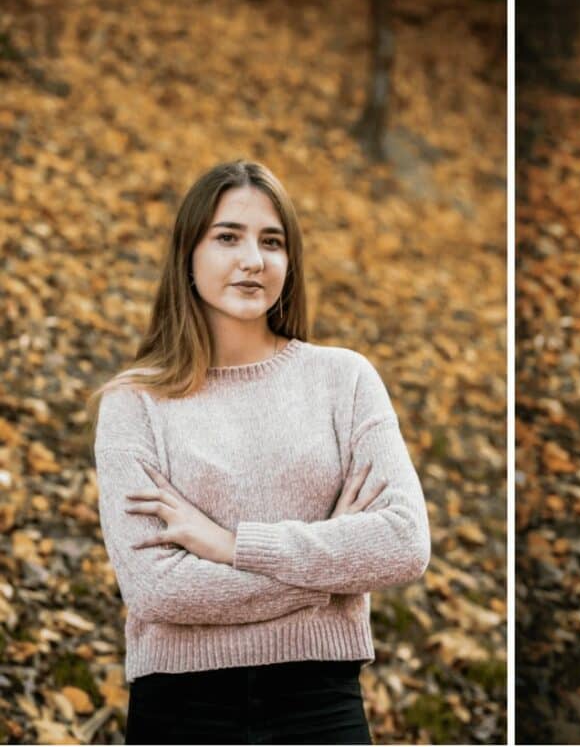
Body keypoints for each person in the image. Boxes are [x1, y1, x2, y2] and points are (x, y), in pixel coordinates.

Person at [87, 160, 431, 744]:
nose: (253, 260)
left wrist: (233, 545)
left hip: (321, 704)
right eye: (227, 237)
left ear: (289, 263)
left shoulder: (343, 380)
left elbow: (404, 544)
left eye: (272, 242)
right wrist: (329, 573)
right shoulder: (134, 402)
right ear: (187, 256)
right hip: (181, 708)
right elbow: (157, 589)